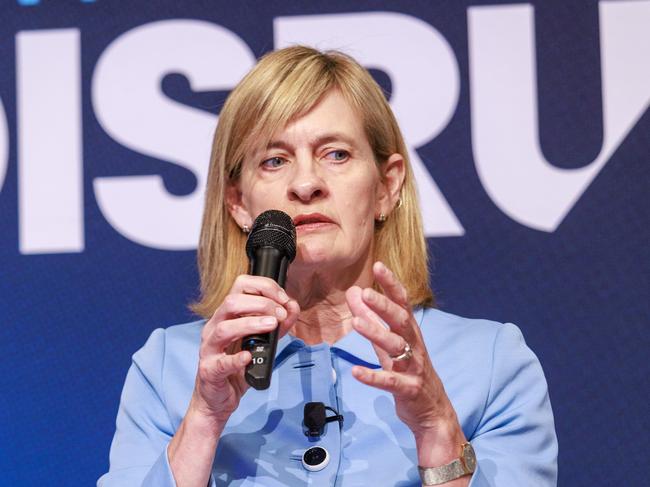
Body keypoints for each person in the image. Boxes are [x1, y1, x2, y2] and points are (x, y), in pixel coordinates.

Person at [98, 46, 557, 487]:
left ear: (386, 187)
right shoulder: (170, 369)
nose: (306, 183)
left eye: (336, 154)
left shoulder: (491, 363)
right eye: (275, 160)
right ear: (238, 202)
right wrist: (202, 419)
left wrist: (436, 425)